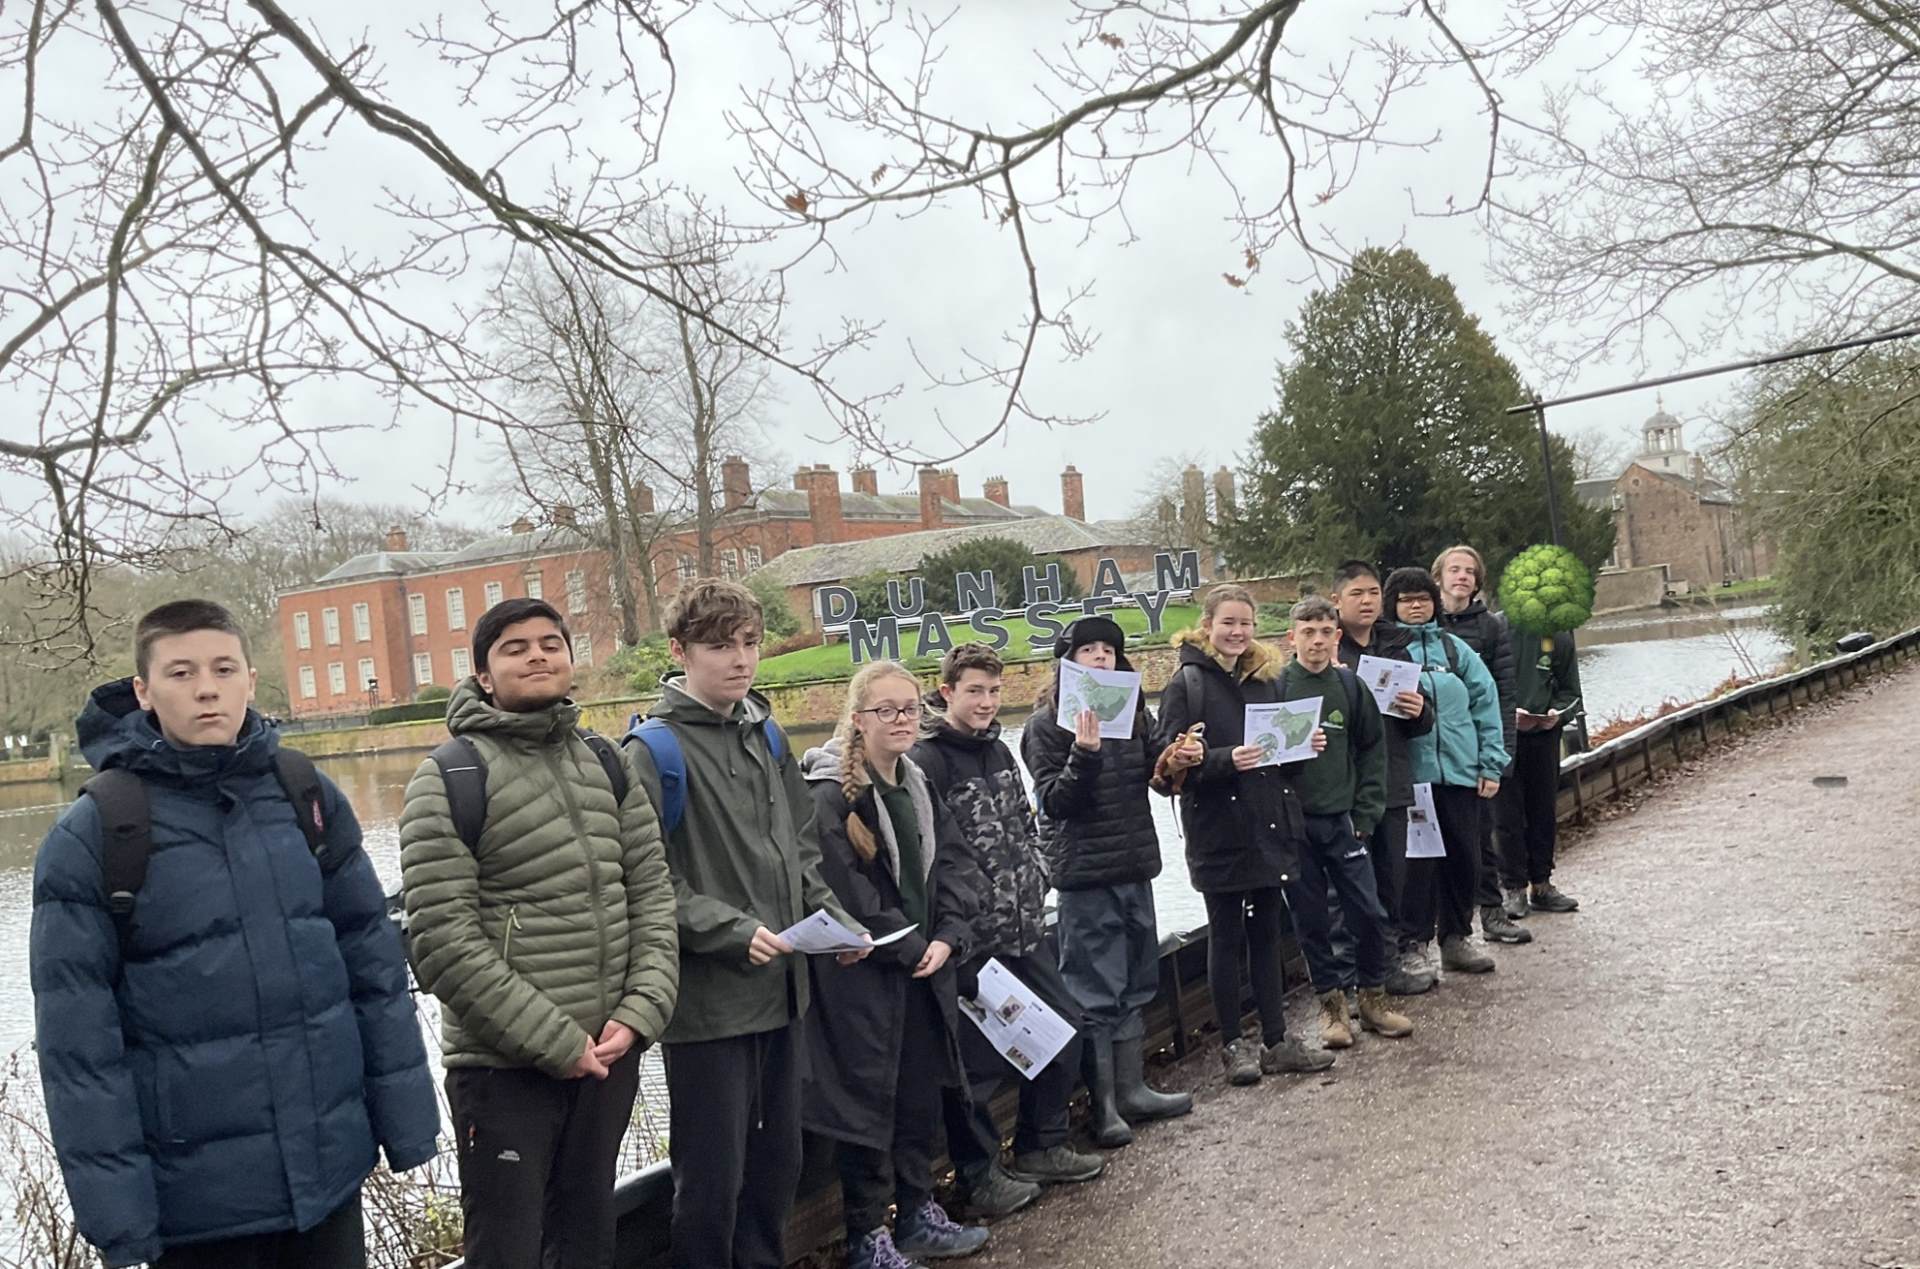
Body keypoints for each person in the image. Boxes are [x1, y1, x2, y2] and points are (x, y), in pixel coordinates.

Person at [34, 600, 438, 1269]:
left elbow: (372, 969)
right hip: (195, 1209)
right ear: (143, 690)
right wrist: (120, 1218)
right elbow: (79, 1049)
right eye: (181, 672)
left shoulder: (304, 795)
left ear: (250, 679)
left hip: (327, 1180)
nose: (206, 688)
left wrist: (407, 1124)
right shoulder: (97, 832)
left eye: (223, 669)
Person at [400, 596, 680, 1269]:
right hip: (505, 1073)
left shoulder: (607, 762)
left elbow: (651, 894)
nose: (537, 656)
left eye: (551, 643)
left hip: (607, 1056)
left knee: (587, 1239)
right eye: (516, 647)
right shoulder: (448, 777)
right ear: (483, 674)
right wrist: (555, 1041)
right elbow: (440, 940)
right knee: (508, 1250)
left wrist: (640, 1012)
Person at [624, 579, 869, 1269]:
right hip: (709, 1006)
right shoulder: (651, 751)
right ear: (679, 651)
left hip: (783, 991)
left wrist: (834, 920)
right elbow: (643, 879)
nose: (741, 660)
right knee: (710, 1180)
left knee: (778, 1164)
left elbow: (799, 847)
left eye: (750, 643)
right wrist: (728, 930)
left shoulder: (767, 732)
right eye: (719, 646)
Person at [801, 661, 990, 1269]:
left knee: (918, 1097)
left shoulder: (917, 784)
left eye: (910, 708)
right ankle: (867, 1236)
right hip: (865, 980)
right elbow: (846, 890)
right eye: (886, 710)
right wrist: (911, 948)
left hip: (927, 971)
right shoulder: (831, 795)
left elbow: (955, 864)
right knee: (867, 1106)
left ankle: (916, 1212)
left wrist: (950, 936)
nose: (902, 719)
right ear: (859, 719)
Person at [913, 642, 1105, 1217]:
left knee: (1065, 1028)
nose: (986, 702)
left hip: (1024, 926)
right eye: (974, 691)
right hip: (973, 942)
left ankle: (1040, 1145)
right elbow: (932, 855)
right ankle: (979, 1178)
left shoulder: (997, 749)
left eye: (994, 692)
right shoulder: (927, 760)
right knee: (977, 1066)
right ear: (947, 692)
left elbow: (1027, 819)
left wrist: (1039, 872)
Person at [1020, 615, 1194, 1149]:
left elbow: (1158, 779)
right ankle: (1105, 1109)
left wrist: (1176, 759)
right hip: (1085, 875)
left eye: (1109, 650)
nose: (1101, 657)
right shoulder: (1044, 726)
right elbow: (1054, 802)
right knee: (1094, 993)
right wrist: (1085, 753)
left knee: (1138, 981)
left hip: (1135, 865)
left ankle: (1134, 1090)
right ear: (1068, 662)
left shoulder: (1133, 712)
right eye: (1088, 649)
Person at [1156, 585, 1336, 1086]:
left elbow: (1282, 765)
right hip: (1218, 828)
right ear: (1207, 625)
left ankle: (1276, 1041)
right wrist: (1223, 760)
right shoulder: (1186, 684)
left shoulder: (1267, 680)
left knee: (1266, 935)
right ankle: (1233, 1046)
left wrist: (1304, 746)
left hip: (1268, 822)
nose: (1237, 633)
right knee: (1226, 936)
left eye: (1246, 624)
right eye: (1228, 623)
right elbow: (1166, 767)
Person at [1275, 596, 1413, 1049]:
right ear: (1291, 638)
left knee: (1368, 912)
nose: (1316, 641)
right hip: (1297, 826)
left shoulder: (1351, 688)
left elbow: (1373, 752)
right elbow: (1264, 756)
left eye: (1324, 632)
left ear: (1337, 637)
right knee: (1311, 920)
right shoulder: (1277, 688)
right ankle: (1332, 1008)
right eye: (1307, 632)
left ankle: (1373, 999)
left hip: (1344, 822)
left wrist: (1366, 812)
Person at [1382, 569, 1510, 978]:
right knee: (1417, 866)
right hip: (1413, 778)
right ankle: (1413, 943)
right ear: (1393, 605)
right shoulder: (1386, 653)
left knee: (1463, 857)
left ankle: (1456, 937)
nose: (1415, 606)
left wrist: (1490, 763)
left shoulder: (1455, 651)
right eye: (1406, 600)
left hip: (1459, 772)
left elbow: (1486, 705)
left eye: (1422, 598)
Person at [1332, 560, 1438, 996]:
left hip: (1392, 780)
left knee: (1392, 878)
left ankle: (1388, 968)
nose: (1367, 601)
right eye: (1357, 594)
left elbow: (1422, 721)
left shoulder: (1396, 646)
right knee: (1350, 887)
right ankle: (1353, 980)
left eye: (1373, 593)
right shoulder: (1330, 650)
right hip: (1346, 788)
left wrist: (1419, 710)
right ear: (1338, 599)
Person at [1432, 544, 1532, 949]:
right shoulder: (1420, 625)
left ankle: (1491, 912)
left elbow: (1503, 695)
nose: (1462, 577)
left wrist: (1499, 758)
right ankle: (1437, 932)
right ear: (1438, 577)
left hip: (1473, 751)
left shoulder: (1490, 628)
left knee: (1481, 838)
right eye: (1455, 569)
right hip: (1429, 751)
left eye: (1470, 572)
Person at [1498, 627, 1584, 917]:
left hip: (1544, 736)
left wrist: (1558, 714)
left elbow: (1572, 692)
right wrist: (1506, 714)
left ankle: (1542, 884)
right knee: (1506, 815)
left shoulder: (1557, 636)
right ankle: (1513, 888)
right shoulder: (1494, 631)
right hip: (1502, 736)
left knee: (1543, 811)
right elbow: (1479, 687)